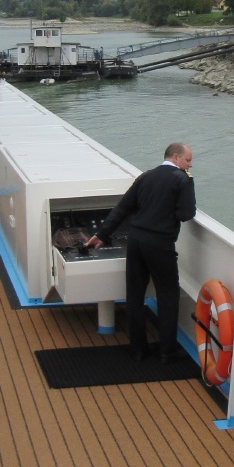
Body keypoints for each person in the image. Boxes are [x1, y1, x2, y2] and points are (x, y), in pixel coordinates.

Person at [85, 142, 196, 362]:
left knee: (134, 295)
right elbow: (186, 213)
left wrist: (102, 234)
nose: (190, 164)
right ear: (175, 158)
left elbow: (123, 208)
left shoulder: (146, 176)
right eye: (188, 160)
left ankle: (137, 349)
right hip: (160, 244)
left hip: (136, 242)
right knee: (168, 295)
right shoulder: (183, 180)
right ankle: (167, 352)